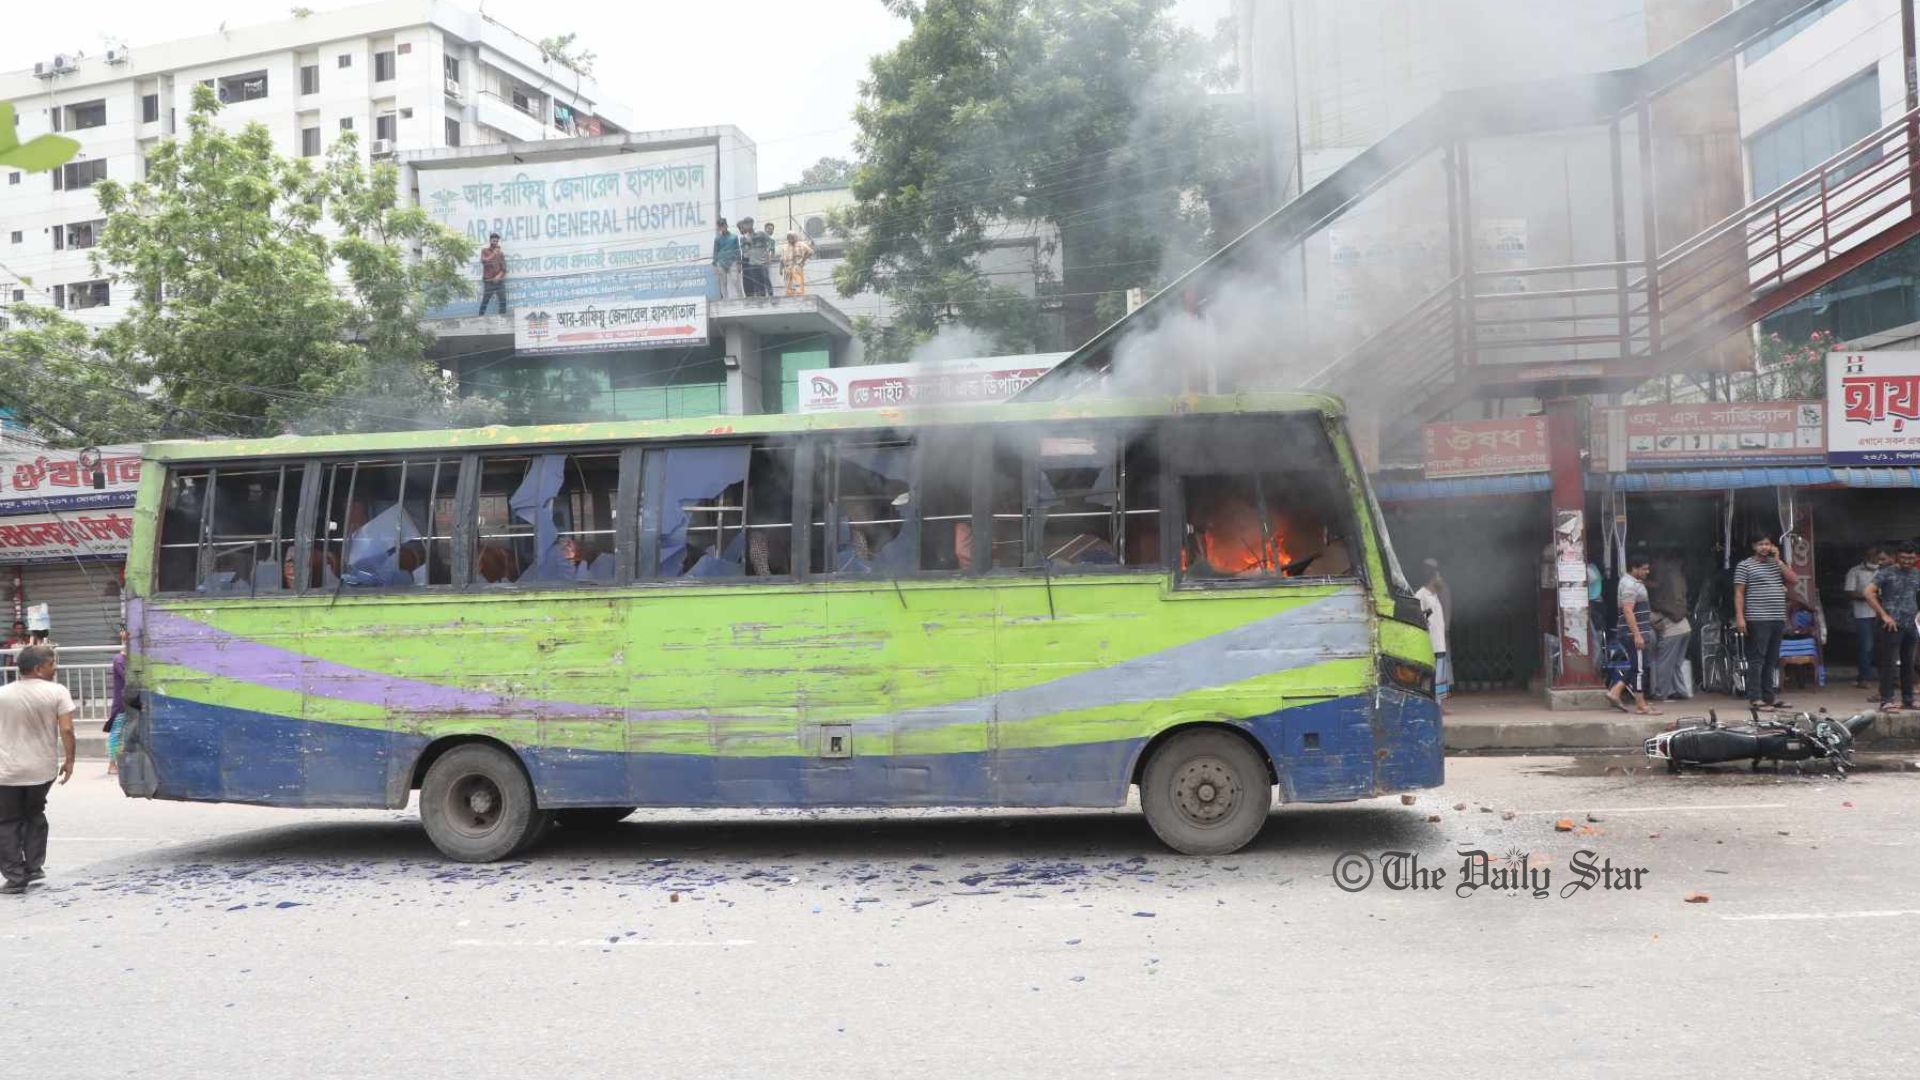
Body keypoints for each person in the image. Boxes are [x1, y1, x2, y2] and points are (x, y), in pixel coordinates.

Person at [0, 644, 77, 895]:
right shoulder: (57, 692)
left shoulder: (3, 694)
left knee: (8, 820)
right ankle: (33, 867)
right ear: (38, 668)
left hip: (7, 770)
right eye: (51, 664)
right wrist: (70, 760)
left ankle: (15, 877)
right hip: (41, 769)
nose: (55, 668)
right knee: (34, 813)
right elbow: (67, 729)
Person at [1735, 533, 1798, 712]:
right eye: (1760, 544)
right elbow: (1739, 593)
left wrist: (1779, 560)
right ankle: (1755, 698)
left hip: (1777, 617)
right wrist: (1740, 617)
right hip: (1757, 618)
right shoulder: (1745, 565)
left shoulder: (1776, 564)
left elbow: (1794, 579)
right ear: (1753, 546)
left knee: (1771, 659)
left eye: (1768, 544)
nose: (1764, 547)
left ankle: (1769, 697)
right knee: (1757, 659)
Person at [1864, 542, 1920, 713]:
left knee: (1908, 663)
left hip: (1911, 625)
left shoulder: (1917, 573)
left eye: (1911, 558)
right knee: (1889, 664)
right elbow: (1868, 592)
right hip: (1891, 626)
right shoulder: (1886, 573)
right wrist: (1883, 615)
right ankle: (1886, 700)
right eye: (1903, 558)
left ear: (1916, 558)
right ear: (1896, 557)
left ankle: (1908, 700)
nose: (1907, 561)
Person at [1605, 555, 1659, 715]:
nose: (1647, 572)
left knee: (1637, 666)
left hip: (1635, 632)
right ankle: (1641, 705)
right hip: (1633, 633)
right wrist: (1637, 635)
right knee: (1639, 670)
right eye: (1644, 569)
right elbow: (1628, 610)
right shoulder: (1629, 585)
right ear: (1634, 568)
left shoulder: (1631, 583)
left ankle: (1615, 692)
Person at [1649, 555, 1692, 701]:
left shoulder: (1660, 597)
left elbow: (1655, 618)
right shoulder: (1677, 581)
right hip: (1685, 628)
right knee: (1676, 663)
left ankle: (1661, 693)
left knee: (1664, 663)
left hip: (1673, 631)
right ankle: (1681, 691)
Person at [1846, 545, 1888, 690]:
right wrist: (1869, 596)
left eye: (1878, 556)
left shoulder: (1885, 571)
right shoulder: (1855, 571)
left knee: (1885, 646)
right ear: (1866, 556)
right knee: (1866, 647)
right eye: (1872, 555)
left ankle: (1888, 678)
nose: (1875, 558)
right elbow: (1850, 592)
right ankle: (1864, 678)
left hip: (1883, 615)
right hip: (1863, 614)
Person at [1415, 567, 1451, 709]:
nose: (1441, 580)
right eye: (1439, 577)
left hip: (1439, 643)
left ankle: (1438, 705)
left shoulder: (1435, 596)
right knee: (1429, 677)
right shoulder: (1421, 595)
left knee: (1440, 677)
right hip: (1430, 644)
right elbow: (1417, 618)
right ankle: (1429, 705)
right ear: (1432, 578)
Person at [104, 630, 128, 776]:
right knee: (117, 733)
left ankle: (123, 762)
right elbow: (128, 677)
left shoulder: (131, 660)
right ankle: (112, 764)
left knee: (126, 734)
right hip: (122, 704)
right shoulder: (119, 660)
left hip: (133, 702)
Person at [738, 218, 772, 297]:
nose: (748, 226)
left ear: (752, 224)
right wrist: (749, 246)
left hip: (762, 262)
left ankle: (771, 296)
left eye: (749, 223)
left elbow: (771, 242)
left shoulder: (761, 234)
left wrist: (767, 253)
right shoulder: (743, 238)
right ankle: (761, 298)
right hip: (752, 263)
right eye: (746, 224)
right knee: (757, 283)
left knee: (766, 281)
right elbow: (745, 253)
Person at [478, 233, 508, 315]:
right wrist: (494, 254)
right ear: (490, 241)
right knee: (485, 300)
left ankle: (502, 319)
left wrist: (498, 276)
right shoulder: (484, 251)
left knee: (503, 300)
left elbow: (504, 269)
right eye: (494, 241)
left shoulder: (501, 253)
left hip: (499, 281)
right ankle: (480, 318)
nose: (495, 243)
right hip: (488, 281)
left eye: (497, 241)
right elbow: (484, 261)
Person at [712, 217, 741, 299]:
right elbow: (715, 252)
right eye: (720, 226)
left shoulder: (734, 237)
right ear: (718, 227)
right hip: (721, 262)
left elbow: (738, 250)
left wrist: (739, 263)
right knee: (723, 282)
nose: (722, 227)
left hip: (732, 261)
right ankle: (725, 299)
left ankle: (741, 298)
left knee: (735, 280)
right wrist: (715, 264)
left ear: (726, 225)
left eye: (723, 225)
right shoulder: (717, 239)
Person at [782, 230, 815, 296]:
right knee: (788, 286)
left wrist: (803, 260)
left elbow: (810, 252)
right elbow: (782, 258)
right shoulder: (785, 247)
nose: (790, 238)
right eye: (789, 237)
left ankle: (800, 295)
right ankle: (789, 294)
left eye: (792, 236)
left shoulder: (801, 244)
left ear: (795, 237)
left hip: (797, 267)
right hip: (787, 268)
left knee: (798, 285)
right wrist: (781, 269)